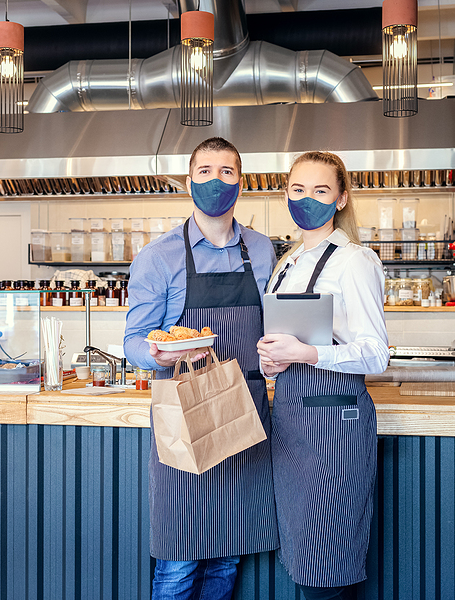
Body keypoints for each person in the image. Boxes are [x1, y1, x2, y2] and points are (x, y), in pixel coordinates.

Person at [124, 137, 279, 599]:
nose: (216, 181)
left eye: (227, 172)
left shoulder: (263, 249)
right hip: (184, 414)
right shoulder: (159, 256)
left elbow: (272, 323)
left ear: (241, 182)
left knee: (226, 560)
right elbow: (134, 340)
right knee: (179, 562)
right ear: (190, 181)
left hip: (245, 414)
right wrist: (159, 355)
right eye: (206, 171)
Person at [257, 151, 389, 600]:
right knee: (303, 562)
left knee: (327, 566)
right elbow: (283, 342)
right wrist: (272, 361)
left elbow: (375, 356)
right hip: (292, 424)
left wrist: (309, 352)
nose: (306, 199)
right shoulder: (287, 263)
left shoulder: (355, 261)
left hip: (334, 430)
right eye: (297, 189)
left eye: (320, 190)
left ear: (341, 199)